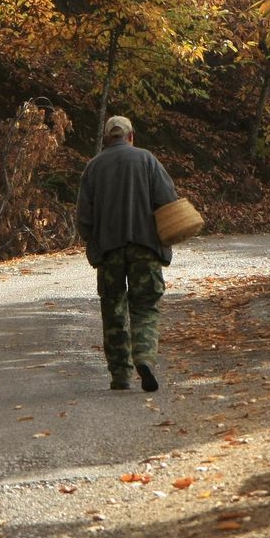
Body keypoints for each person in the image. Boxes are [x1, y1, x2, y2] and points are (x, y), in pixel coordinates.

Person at [75, 114, 178, 392]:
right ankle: (144, 357)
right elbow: (169, 203)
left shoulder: (93, 168)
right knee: (144, 307)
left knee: (113, 310)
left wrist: (94, 242)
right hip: (145, 248)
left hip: (109, 251)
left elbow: (84, 218)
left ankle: (120, 375)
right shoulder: (147, 160)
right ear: (131, 136)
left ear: (107, 139)